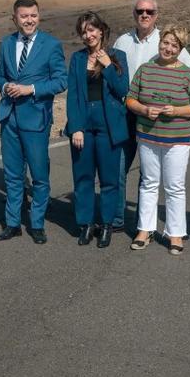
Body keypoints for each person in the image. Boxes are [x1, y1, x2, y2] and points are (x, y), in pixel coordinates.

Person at [111, 0, 190, 233]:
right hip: (126, 113)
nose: (144, 15)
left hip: (157, 121)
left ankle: (144, 225)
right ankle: (117, 219)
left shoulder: (167, 42)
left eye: (149, 11)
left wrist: (177, 109)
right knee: (118, 168)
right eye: (140, 11)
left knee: (148, 176)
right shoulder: (121, 42)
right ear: (134, 14)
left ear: (156, 15)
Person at [126, 26, 190, 255]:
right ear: (160, 42)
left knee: (174, 187)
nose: (168, 48)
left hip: (177, 139)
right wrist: (143, 109)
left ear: (180, 49)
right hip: (148, 136)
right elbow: (130, 98)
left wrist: (178, 110)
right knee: (149, 183)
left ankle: (175, 233)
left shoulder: (187, 74)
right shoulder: (145, 70)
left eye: (174, 45)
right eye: (166, 42)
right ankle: (145, 229)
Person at [0, 0, 67, 244]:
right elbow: (0, 76)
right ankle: (12, 223)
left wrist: (31, 89)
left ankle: (36, 224)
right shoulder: (6, 43)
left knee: (38, 175)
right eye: (24, 16)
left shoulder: (51, 45)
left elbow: (60, 81)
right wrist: (5, 86)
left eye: (33, 15)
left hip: (36, 118)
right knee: (12, 175)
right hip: (9, 118)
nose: (29, 20)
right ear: (14, 18)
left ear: (39, 16)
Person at [64, 12, 129, 248]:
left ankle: (107, 225)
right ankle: (86, 224)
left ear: (101, 30)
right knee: (83, 177)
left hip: (109, 124)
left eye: (92, 30)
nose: (88, 35)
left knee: (110, 179)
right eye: (84, 31)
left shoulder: (117, 56)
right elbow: (72, 95)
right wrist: (76, 127)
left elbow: (123, 89)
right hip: (84, 123)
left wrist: (108, 66)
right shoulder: (77, 59)